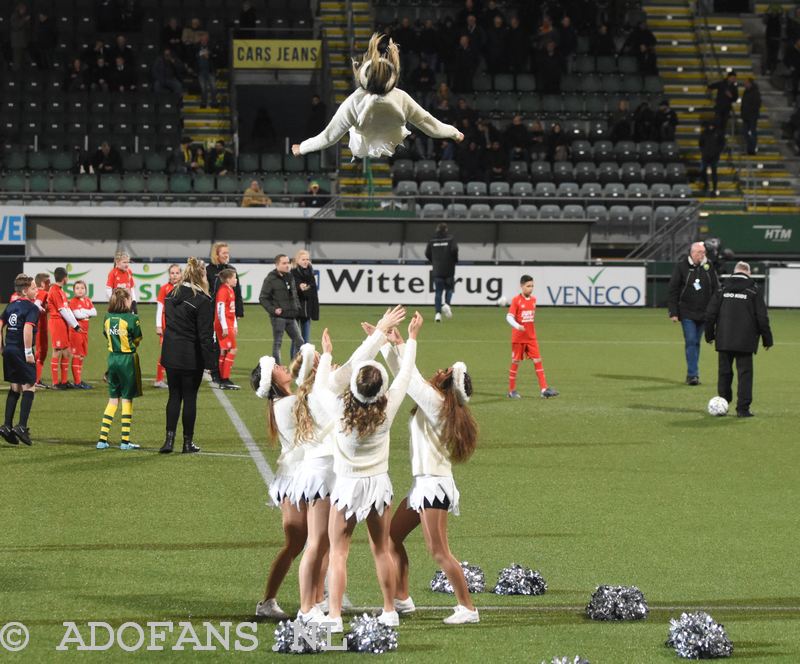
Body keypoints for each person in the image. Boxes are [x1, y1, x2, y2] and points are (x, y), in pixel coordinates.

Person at [324, 310, 422, 633]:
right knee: (381, 550)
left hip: (348, 487)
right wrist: (411, 341)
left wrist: (378, 333)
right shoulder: (387, 408)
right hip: (378, 486)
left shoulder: (339, 405)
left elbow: (349, 366)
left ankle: (335, 616)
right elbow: (405, 376)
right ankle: (389, 609)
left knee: (339, 553)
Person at [380, 329, 480, 625]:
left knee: (439, 552)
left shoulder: (436, 404)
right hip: (422, 485)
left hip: (433, 486)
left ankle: (468, 608)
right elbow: (405, 376)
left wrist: (399, 343)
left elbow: (408, 377)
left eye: (445, 372)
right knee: (391, 537)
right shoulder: (435, 400)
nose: (439, 370)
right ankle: (402, 599)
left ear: (448, 386)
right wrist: (387, 345)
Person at [291, 33, 463, 160]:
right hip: (390, 137)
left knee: (351, 132)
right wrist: (454, 133)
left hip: (365, 138)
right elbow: (430, 125)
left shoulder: (355, 101)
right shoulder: (400, 98)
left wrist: (302, 148)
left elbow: (329, 137)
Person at [159, 258, 216, 454]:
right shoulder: (202, 300)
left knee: (174, 396)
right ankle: (187, 443)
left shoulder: (170, 295)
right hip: (191, 356)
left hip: (171, 353)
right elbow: (205, 335)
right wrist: (211, 363)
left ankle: (168, 441)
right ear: (201, 276)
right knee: (190, 398)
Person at [705, 262, 773, 417]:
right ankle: (743, 409)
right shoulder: (753, 290)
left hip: (724, 338)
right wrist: (767, 339)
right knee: (745, 375)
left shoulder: (722, 288)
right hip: (745, 340)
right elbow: (762, 317)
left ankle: (723, 403)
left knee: (724, 373)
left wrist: (709, 335)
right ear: (748, 273)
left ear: (734, 272)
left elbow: (710, 314)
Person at [96, 288, 142, 450]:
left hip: (112, 359)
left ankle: (102, 439)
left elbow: (105, 334)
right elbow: (137, 338)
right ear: (125, 302)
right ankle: (125, 441)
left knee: (113, 398)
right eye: (130, 299)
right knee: (127, 399)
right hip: (127, 360)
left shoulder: (107, 317)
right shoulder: (132, 318)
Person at [668, 241, 720, 386]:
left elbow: (717, 289)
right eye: (699, 253)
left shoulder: (709, 267)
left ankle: (692, 373)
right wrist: (673, 311)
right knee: (691, 341)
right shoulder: (681, 267)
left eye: (703, 253)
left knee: (696, 342)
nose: (701, 255)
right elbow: (673, 290)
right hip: (687, 313)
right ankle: (693, 375)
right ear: (692, 253)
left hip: (705, 313)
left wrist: (716, 310)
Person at [0, 274, 39, 446]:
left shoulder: (11, 306)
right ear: (25, 291)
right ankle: (21, 426)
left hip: (9, 350)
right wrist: (28, 352)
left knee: (15, 387)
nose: (36, 290)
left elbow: (0, 325)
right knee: (30, 386)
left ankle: (7, 426)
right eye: (34, 288)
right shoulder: (32, 308)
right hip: (21, 352)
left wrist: (1, 347)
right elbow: (27, 330)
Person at [506, 275, 559, 399]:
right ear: (522, 286)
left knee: (538, 360)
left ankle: (544, 389)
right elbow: (508, 317)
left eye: (532, 286)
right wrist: (517, 326)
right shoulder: (516, 300)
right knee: (515, 362)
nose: (531, 288)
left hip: (531, 337)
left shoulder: (533, 300)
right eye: (528, 286)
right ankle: (511, 391)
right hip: (518, 338)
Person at [259, 254, 304, 365]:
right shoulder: (270, 279)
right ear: (277, 264)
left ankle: (296, 366)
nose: (287, 265)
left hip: (291, 315)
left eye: (288, 262)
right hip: (278, 317)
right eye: (284, 263)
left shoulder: (290, 276)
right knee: (278, 344)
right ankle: (279, 369)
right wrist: (273, 310)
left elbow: (294, 295)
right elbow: (263, 298)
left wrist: (297, 308)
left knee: (300, 342)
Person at [47, 267, 82, 390]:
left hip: (63, 323)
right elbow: (62, 310)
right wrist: (75, 325)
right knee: (57, 350)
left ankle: (64, 381)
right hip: (57, 322)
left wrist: (73, 323)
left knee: (67, 351)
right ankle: (55, 383)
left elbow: (66, 309)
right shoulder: (55, 291)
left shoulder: (60, 291)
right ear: (65, 277)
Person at [154, 263, 182, 389]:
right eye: (172, 273)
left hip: (181, 326)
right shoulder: (164, 288)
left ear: (181, 274)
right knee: (166, 353)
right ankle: (159, 379)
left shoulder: (184, 288)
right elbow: (160, 308)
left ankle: (176, 379)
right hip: (167, 325)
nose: (175, 275)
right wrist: (159, 325)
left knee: (179, 352)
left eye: (177, 273)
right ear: (169, 275)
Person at [426, 223, 458, 323]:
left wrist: (434, 261)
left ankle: (437, 314)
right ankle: (447, 305)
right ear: (446, 230)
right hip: (448, 269)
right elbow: (455, 249)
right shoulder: (450, 239)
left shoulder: (432, 240)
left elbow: (427, 253)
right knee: (449, 289)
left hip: (437, 269)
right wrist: (454, 260)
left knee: (438, 292)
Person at [68, 280, 96, 389]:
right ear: (74, 290)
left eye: (82, 288)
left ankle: (79, 380)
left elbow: (94, 312)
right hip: (76, 332)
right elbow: (77, 315)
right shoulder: (73, 301)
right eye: (77, 288)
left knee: (81, 355)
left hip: (85, 332)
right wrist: (86, 313)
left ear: (85, 290)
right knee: (76, 355)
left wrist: (83, 310)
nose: (80, 290)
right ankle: (77, 382)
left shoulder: (87, 300)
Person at [214, 269, 240, 390]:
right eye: (234, 277)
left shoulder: (230, 290)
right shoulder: (223, 291)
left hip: (228, 323)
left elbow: (231, 309)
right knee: (233, 349)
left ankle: (221, 378)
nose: (236, 280)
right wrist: (224, 326)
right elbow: (220, 310)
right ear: (228, 279)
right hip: (224, 324)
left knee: (224, 350)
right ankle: (225, 379)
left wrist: (234, 324)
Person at [290, 250, 319, 357]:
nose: (306, 261)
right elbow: (291, 290)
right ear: (298, 260)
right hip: (295, 310)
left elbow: (314, 294)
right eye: (303, 259)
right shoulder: (292, 273)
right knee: (296, 340)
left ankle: (304, 364)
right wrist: (299, 287)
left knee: (306, 340)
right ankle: (294, 363)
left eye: (307, 259)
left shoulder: (311, 273)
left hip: (306, 312)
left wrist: (315, 312)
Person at [32, 273, 50, 388]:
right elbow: (36, 305)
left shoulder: (35, 292)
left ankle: (36, 379)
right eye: (48, 282)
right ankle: (36, 380)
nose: (49, 284)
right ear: (43, 284)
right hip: (40, 326)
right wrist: (44, 310)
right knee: (41, 352)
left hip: (35, 325)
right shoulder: (42, 292)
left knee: (38, 352)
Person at [699, 121, 725, 196]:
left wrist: (718, 152)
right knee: (703, 171)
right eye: (709, 126)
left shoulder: (718, 133)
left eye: (712, 126)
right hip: (705, 156)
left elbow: (722, 143)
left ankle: (714, 188)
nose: (711, 127)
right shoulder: (704, 133)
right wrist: (703, 151)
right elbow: (700, 143)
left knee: (714, 173)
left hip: (714, 156)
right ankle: (706, 184)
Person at [740, 78, 762, 156]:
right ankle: (750, 148)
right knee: (745, 133)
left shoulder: (755, 92)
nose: (744, 84)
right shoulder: (746, 92)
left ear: (750, 83)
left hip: (752, 116)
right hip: (746, 116)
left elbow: (757, 105)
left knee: (752, 132)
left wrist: (750, 112)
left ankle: (752, 149)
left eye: (746, 83)